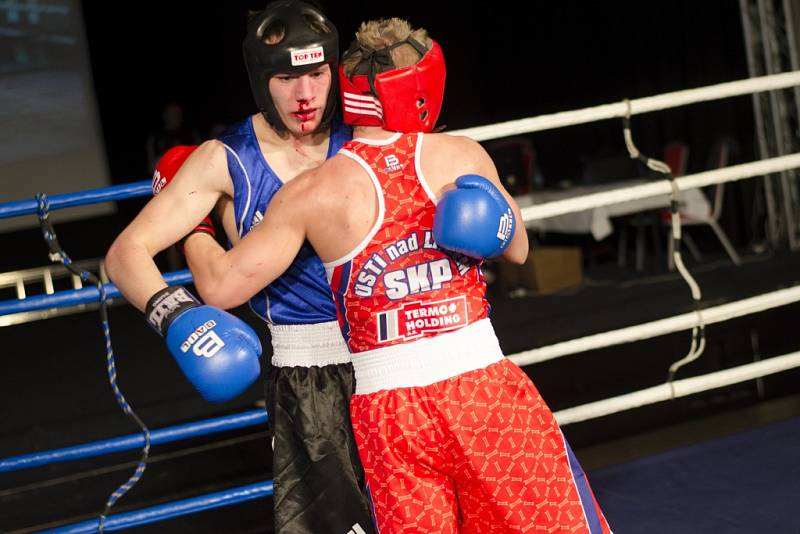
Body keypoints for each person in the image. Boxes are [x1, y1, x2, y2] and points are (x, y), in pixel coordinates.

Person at [183, 17, 612, 533]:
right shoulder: (459, 155)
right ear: (421, 89)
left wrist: (198, 227)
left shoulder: (311, 193)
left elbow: (220, 286)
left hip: (387, 415)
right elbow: (517, 249)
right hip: (482, 395)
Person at [105, 2, 375, 533]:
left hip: (395, 361)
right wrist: (178, 315)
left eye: (317, 74)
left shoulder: (367, 134)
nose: (305, 95)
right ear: (260, 79)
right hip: (311, 382)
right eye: (286, 78)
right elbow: (125, 253)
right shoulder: (225, 159)